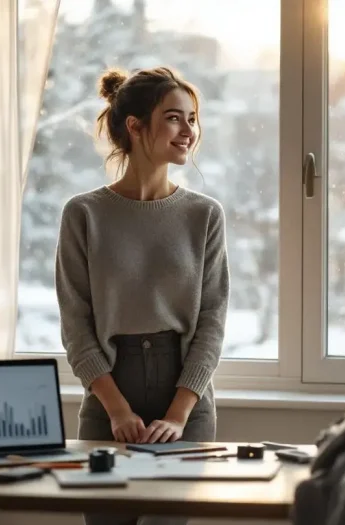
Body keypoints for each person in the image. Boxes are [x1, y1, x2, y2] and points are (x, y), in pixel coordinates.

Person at [54, 66, 230, 525]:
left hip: (186, 399)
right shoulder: (84, 214)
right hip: (110, 394)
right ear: (133, 126)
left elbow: (212, 319)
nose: (188, 130)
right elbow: (76, 324)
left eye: (192, 119)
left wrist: (178, 414)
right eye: (174, 118)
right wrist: (116, 409)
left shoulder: (205, 215)